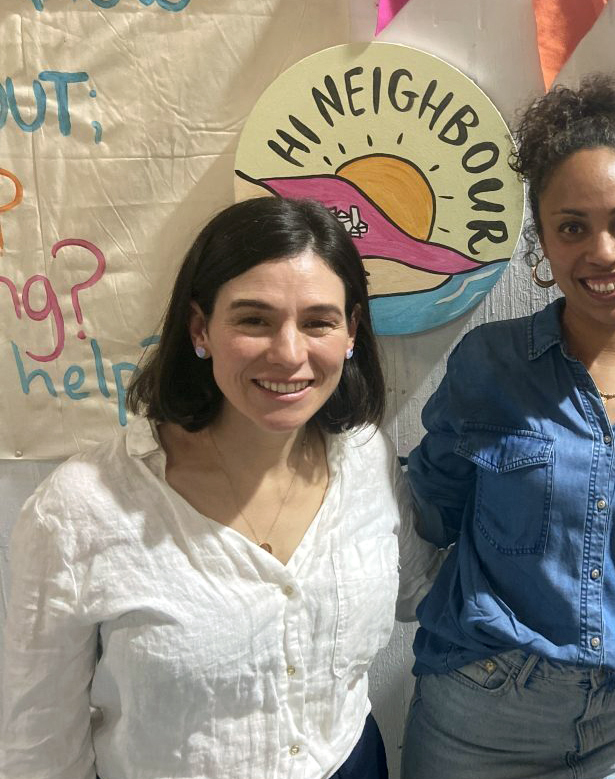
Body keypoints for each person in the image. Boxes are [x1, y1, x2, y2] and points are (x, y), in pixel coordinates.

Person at [0, 196, 439, 779]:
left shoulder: (366, 456)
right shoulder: (79, 513)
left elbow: (415, 590)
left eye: (318, 321)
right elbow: (38, 748)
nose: (289, 353)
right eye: (254, 319)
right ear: (200, 328)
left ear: (352, 331)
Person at [401, 74, 615, 779]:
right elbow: (434, 510)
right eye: (572, 228)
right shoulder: (490, 365)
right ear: (543, 245)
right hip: (479, 714)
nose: (603, 253)